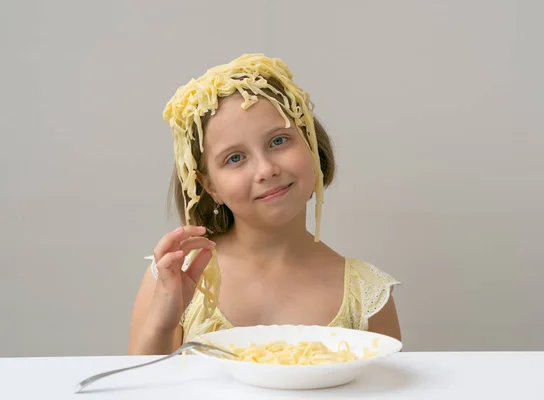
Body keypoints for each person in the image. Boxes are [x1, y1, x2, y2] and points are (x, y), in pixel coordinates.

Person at [128, 54, 401, 355]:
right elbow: (137, 386)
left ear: (312, 144)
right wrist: (162, 325)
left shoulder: (367, 294)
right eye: (235, 158)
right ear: (209, 187)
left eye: (278, 141)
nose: (266, 169)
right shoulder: (174, 277)